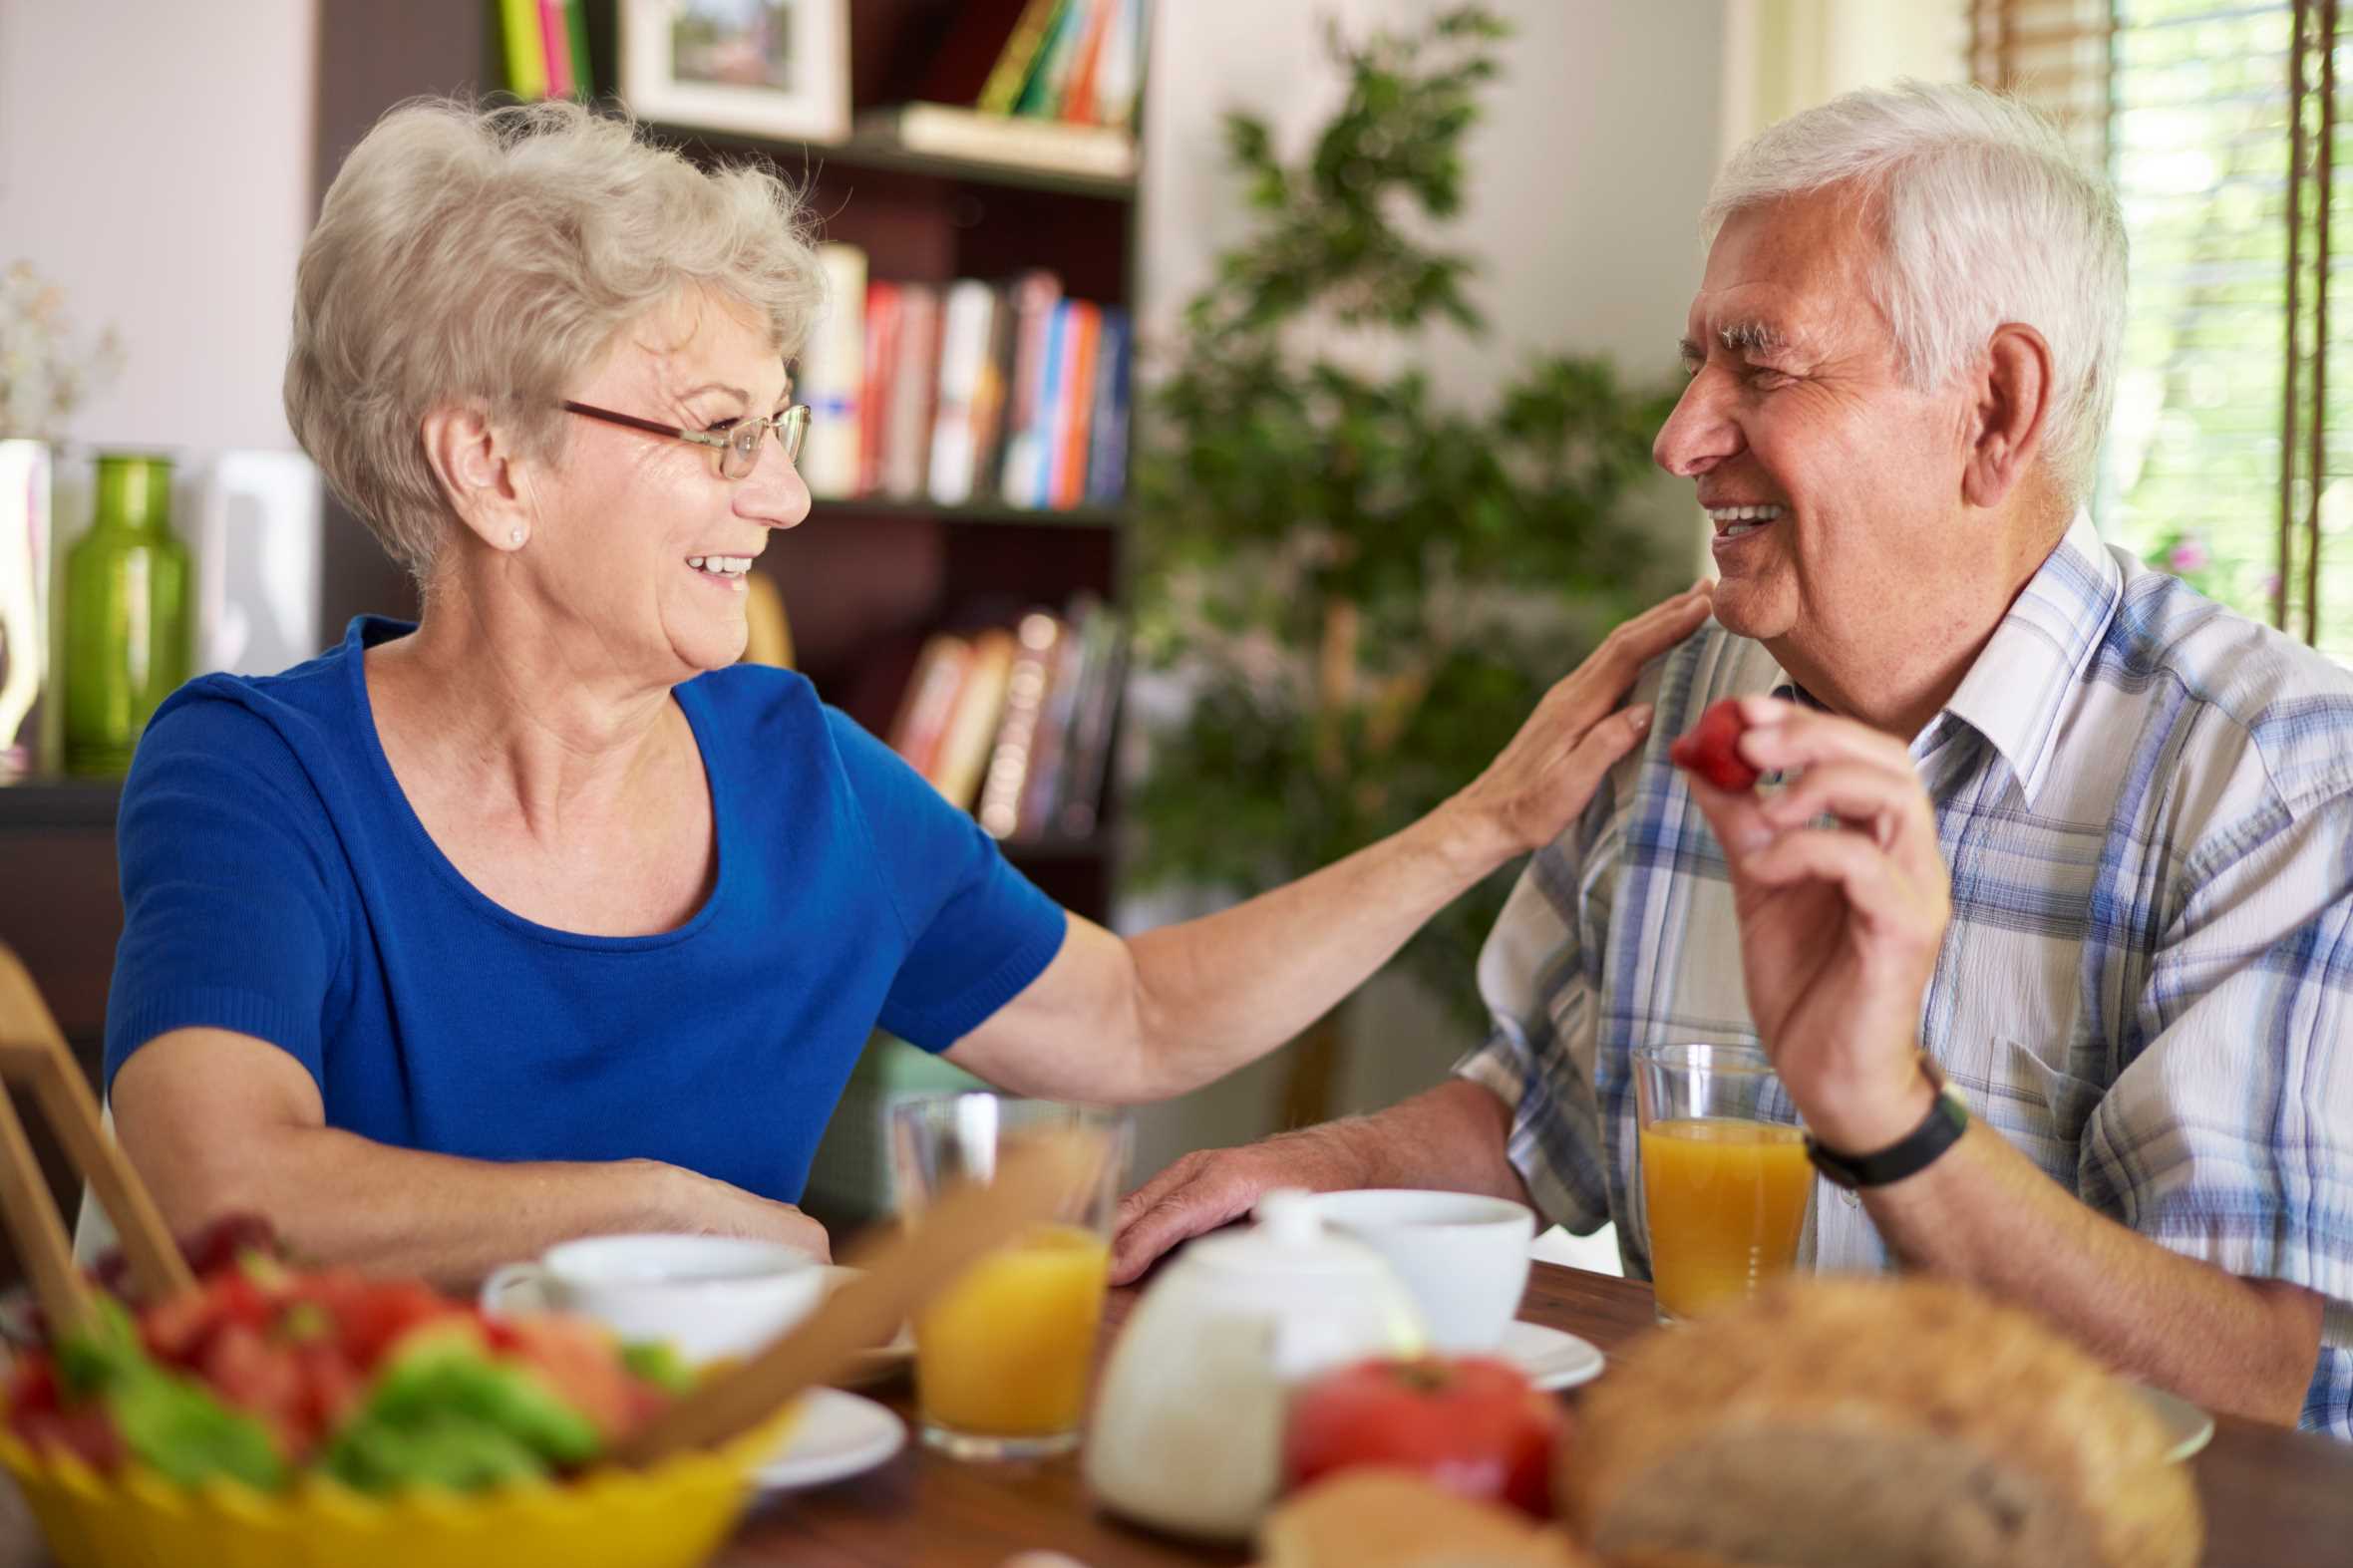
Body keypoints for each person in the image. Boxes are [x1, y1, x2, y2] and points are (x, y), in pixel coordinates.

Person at [100, 97, 1711, 1289]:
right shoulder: (262, 775)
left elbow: (1137, 1018)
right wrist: (654, 1208)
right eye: (721, 432)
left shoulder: (807, 783)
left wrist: (1487, 822)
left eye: (782, 426)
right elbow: (214, 1186)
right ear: (491, 463)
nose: (785, 497)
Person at [1114, 83, 2353, 1439]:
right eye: (1695, 366)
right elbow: (1544, 1115)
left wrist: (1889, 1115)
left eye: (1760, 369)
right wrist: (1315, 1174)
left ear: (1997, 405)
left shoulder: (2269, 780)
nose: (1680, 438)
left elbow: (2246, 1376)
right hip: (1700, 1500)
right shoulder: (1690, 697)